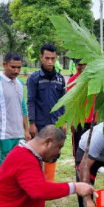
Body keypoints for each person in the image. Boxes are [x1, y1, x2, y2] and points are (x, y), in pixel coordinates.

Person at [0, 51, 30, 195]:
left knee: (15, 173)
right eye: (13, 67)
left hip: (18, 137)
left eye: (19, 67)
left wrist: (26, 130)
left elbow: (22, 106)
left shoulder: (19, 83)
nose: (16, 71)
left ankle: (10, 203)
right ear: (4, 64)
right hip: (1, 137)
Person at [27, 43, 66, 182]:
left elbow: (63, 101)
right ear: (41, 57)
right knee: (37, 153)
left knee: (53, 153)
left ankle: (49, 183)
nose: (50, 62)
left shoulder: (60, 79)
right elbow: (30, 101)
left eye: (53, 58)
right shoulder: (34, 78)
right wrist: (32, 123)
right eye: (47, 58)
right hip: (40, 124)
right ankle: (36, 181)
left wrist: (64, 120)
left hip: (55, 124)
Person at [66, 59, 96, 158]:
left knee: (94, 145)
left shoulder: (95, 79)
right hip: (79, 121)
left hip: (93, 119)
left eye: (84, 63)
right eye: (79, 64)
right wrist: (72, 120)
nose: (82, 66)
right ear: (75, 65)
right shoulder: (72, 81)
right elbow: (70, 103)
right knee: (79, 147)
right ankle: (78, 166)